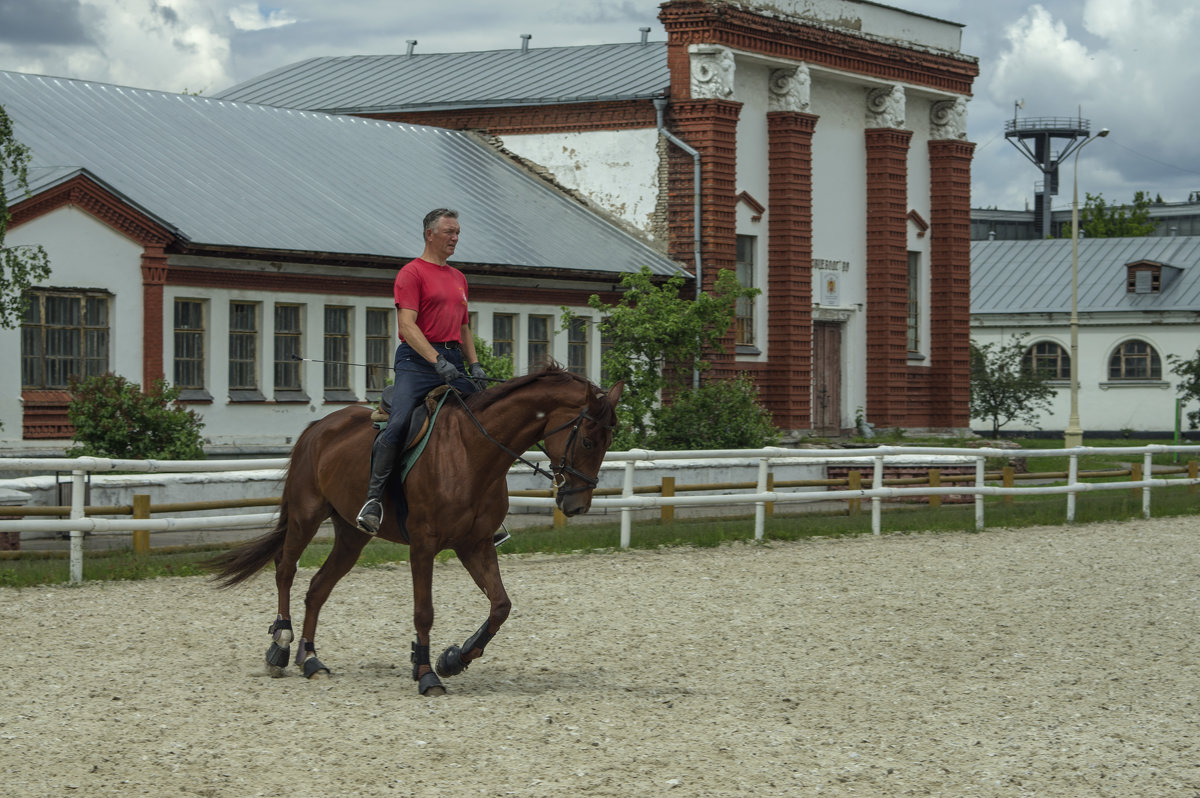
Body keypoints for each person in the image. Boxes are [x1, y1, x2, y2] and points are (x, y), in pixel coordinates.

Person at [356, 208, 488, 536]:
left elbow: (464, 327)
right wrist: (434, 360)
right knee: (398, 423)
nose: (455, 238)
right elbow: (407, 326)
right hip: (416, 363)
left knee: (486, 423)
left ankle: (483, 508)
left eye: (458, 232)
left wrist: (474, 365)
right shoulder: (411, 273)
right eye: (449, 232)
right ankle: (373, 501)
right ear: (430, 234)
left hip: (453, 361)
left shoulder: (459, 278)